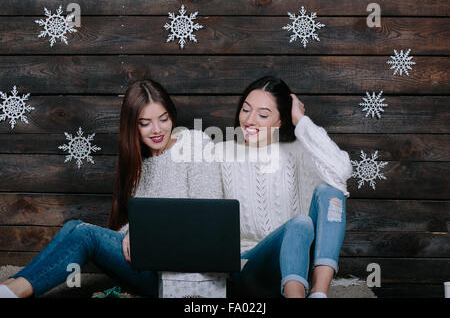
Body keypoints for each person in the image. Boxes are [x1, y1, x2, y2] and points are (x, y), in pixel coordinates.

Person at [0, 79, 222, 298]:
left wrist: (144, 232)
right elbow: (131, 229)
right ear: (132, 126)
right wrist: (135, 233)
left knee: (84, 233)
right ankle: (11, 287)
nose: (157, 130)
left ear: (171, 115)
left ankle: (12, 291)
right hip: (148, 259)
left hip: (182, 273)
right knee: (73, 227)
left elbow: (205, 214)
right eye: (145, 123)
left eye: (163, 119)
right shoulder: (140, 164)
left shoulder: (194, 143)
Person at [215, 76, 353, 298]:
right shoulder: (221, 153)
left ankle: (319, 292)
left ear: (280, 122)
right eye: (246, 110)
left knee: (330, 192)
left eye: (262, 115)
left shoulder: (299, 151)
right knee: (299, 224)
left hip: (297, 263)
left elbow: (341, 170)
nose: (250, 120)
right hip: (249, 266)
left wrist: (302, 122)